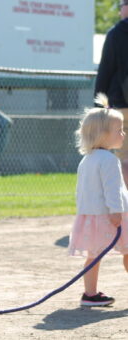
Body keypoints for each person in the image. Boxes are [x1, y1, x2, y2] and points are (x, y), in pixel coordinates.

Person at [69, 93, 128, 307]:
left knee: (93, 256)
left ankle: (90, 294)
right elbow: (112, 189)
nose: (123, 134)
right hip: (115, 216)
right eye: (119, 130)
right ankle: (91, 294)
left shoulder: (87, 160)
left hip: (92, 217)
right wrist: (116, 212)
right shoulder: (110, 160)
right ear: (103, 135)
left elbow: (83, 191)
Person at [95, 0, 128, 184]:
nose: (119, 10)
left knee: (124, 158)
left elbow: (105, 72)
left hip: (121, 106)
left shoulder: (116, 34)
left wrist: (97, 107)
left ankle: (123, 206)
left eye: (122, 4)